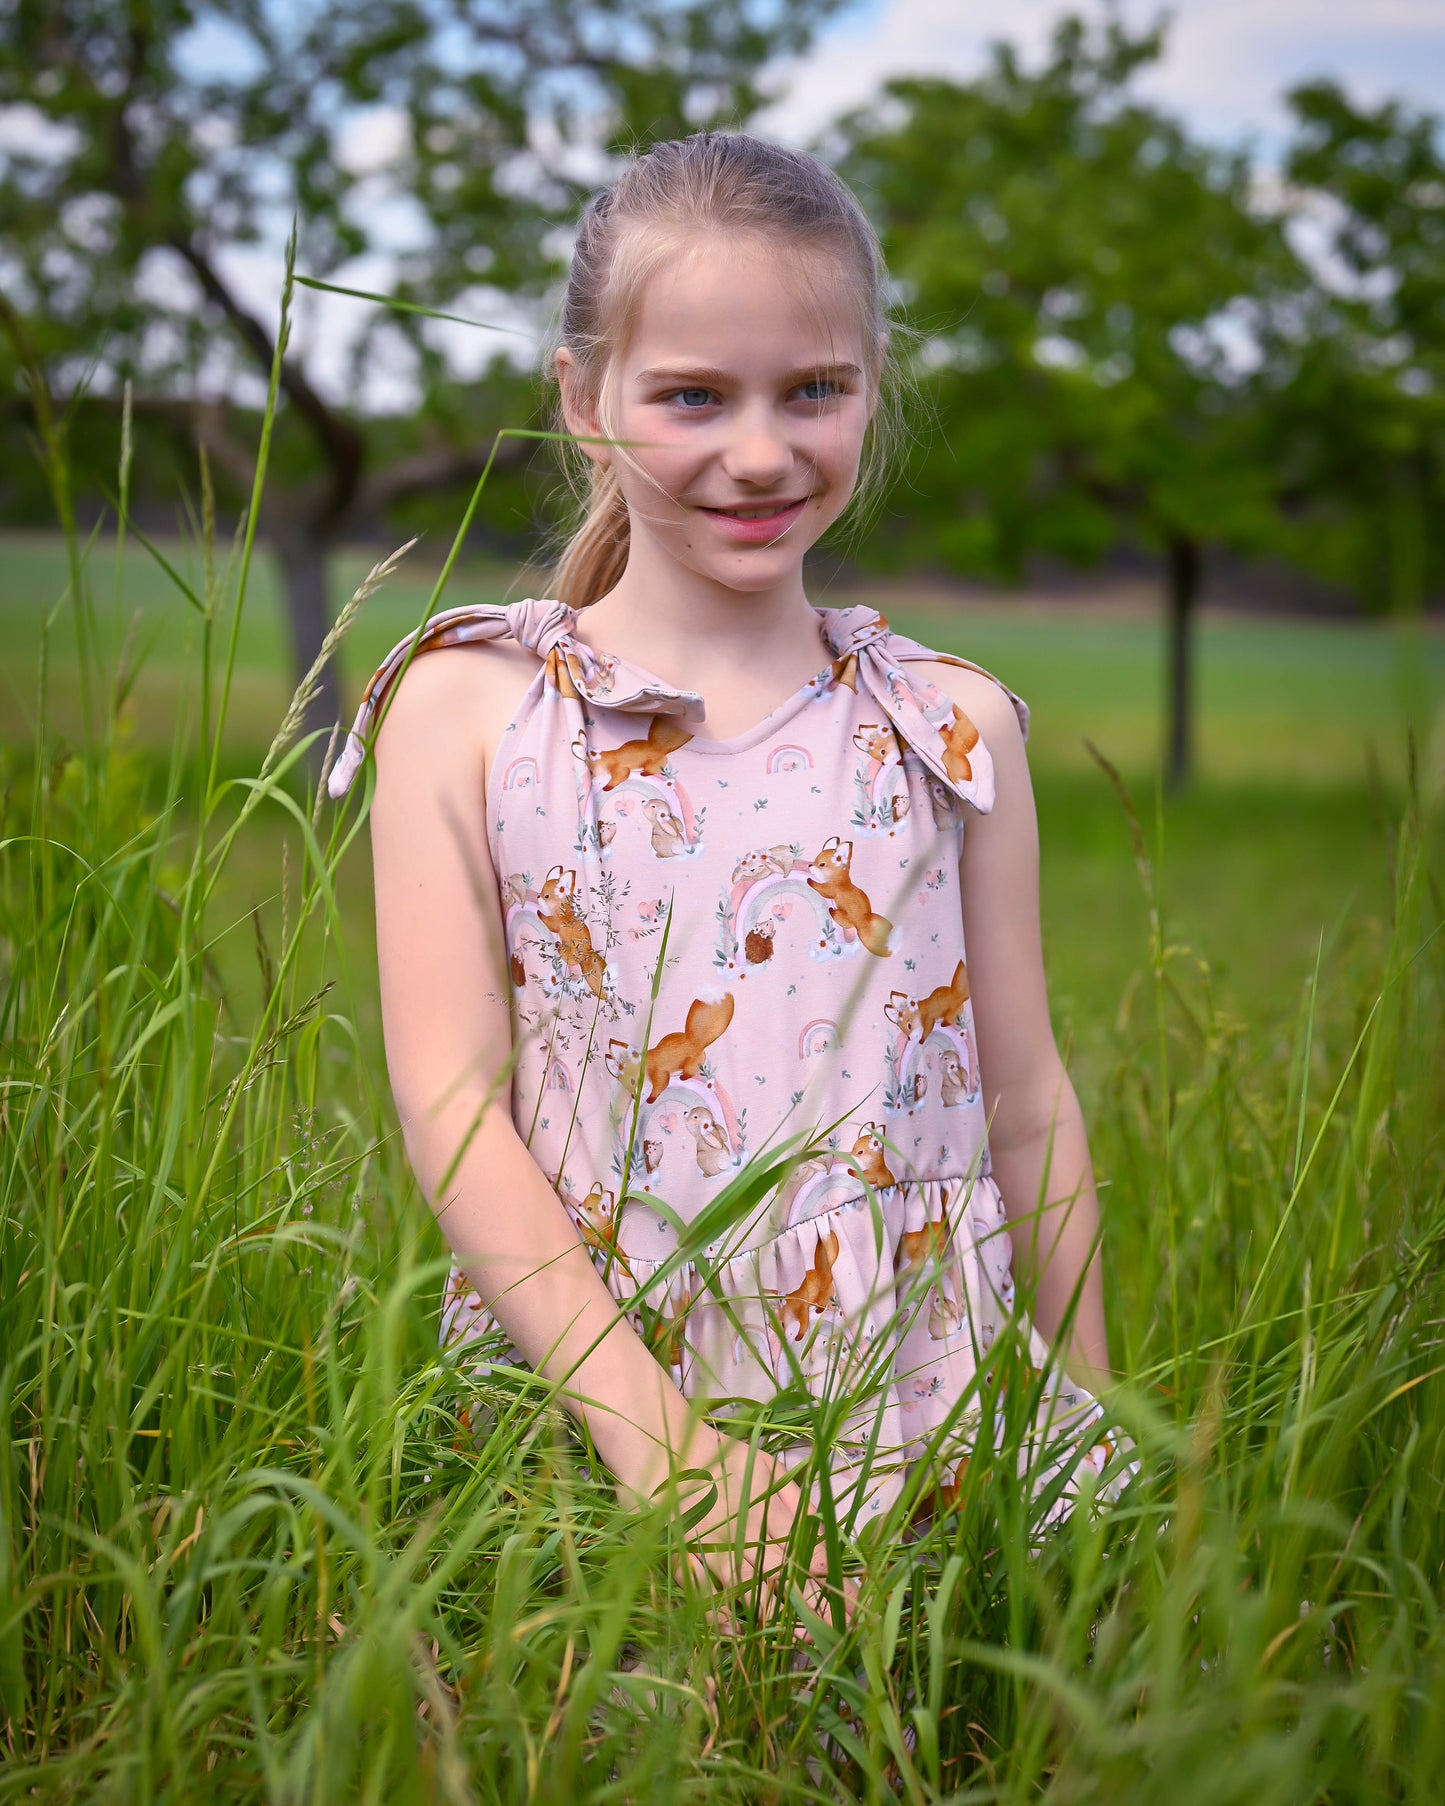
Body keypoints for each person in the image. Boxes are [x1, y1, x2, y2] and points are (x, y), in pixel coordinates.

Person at [330, 132, 1127, 1614]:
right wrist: (675, 1457)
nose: (758, 451)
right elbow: (450, 1107)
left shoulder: (949, 723)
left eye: (810, 390)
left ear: (870, 387)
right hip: (590, 1414)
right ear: (583, 399)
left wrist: (1085, 1440)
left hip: (930, 1421)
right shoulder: (470, 710)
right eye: (691, 394)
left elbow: (1023, 1098)